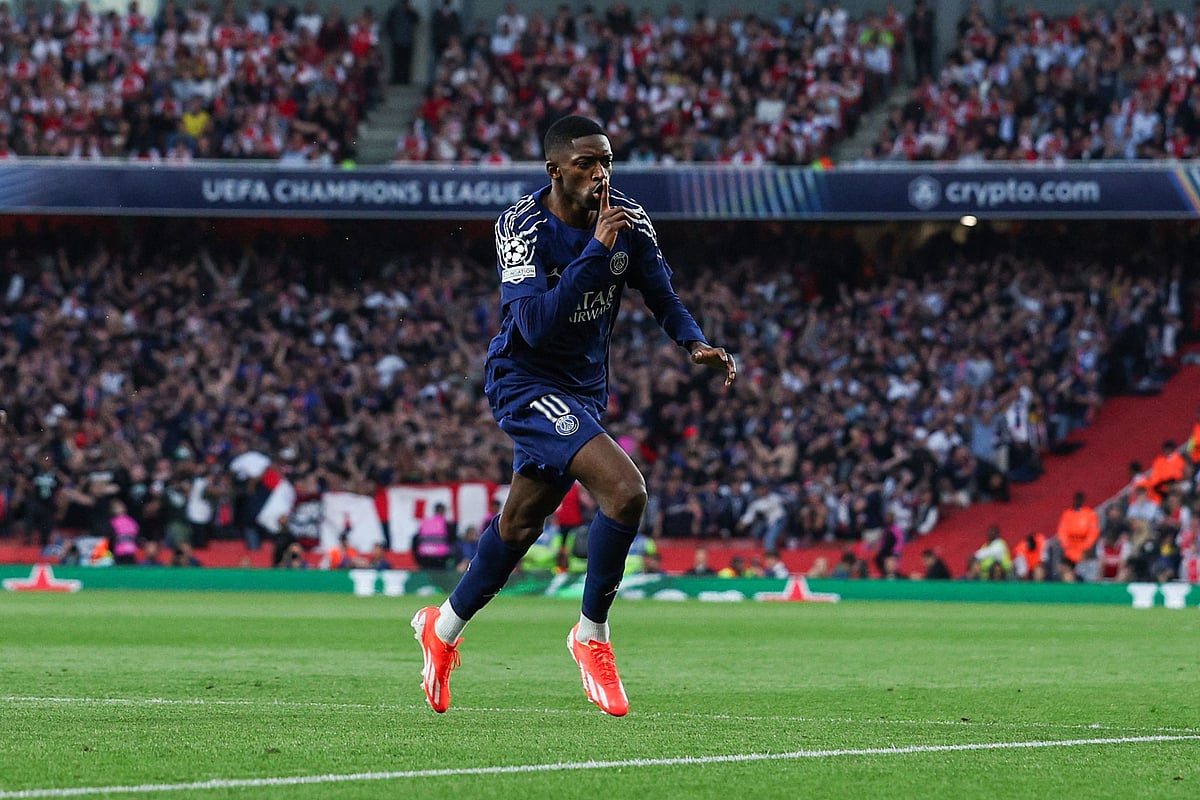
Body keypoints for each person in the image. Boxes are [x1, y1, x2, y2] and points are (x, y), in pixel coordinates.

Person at [411, 115, 737, 717]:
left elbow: (661, 294)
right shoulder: (522, 226)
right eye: (586, 163)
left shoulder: (629, 220)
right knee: (625, 491)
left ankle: (442, 628)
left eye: (606, 162)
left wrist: (695, 343)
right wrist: (594, 253)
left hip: (583, 390)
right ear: (555, 170)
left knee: (519, 526)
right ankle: (591, 636)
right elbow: (533, 324)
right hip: (523, 379)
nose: (600, 174)